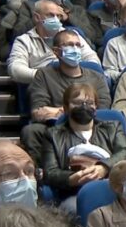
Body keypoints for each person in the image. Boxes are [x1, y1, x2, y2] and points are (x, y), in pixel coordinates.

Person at [41, 83, 126, 213]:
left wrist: (103, 167)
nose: (84, 106)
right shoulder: (53, 135)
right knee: (74, 208)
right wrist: (73, 178)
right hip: (75, 193)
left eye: (89, 103)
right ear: (66, 108)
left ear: (96, 107)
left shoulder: (112, 127)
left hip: (112, 188)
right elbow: (50, 172)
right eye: (77, 103)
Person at [24, 30, 112, 160]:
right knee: (31, 131)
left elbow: (102, 109)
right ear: (56, 51)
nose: (75, 49)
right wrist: (79, 110)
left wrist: (58, 110)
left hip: (91, 126)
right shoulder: (44, 75)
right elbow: (39, 112)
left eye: (78, 45)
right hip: (57, 128)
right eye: (70, 45)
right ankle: (42, 173)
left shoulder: (97, 77)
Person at [8, 0, 101, 84]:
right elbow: (15, 69)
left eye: (58, 16)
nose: (56, 19)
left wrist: (77, 73)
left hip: (78, 82)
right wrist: (49, 76)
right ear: (37, 17)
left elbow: (92, 58)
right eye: (51, 15)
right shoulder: (24, 41)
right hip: (46, 85)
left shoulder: (73, 35)